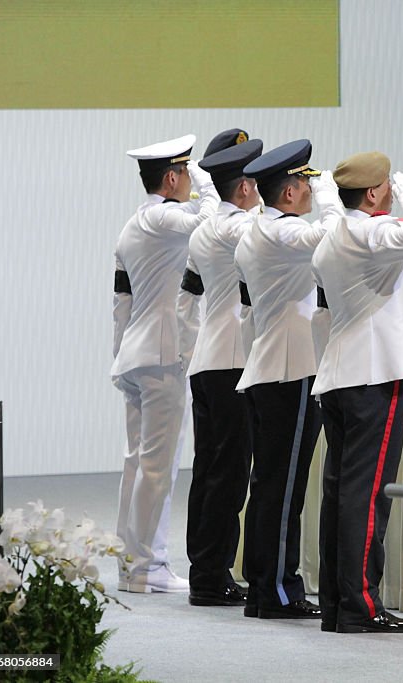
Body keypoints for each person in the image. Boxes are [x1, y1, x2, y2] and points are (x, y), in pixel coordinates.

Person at [312, 152, 403, 634]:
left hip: (341, 376)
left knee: (340, 495)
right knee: (365, 498)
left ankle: (336, 603)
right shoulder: (368, 234)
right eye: (383, 185)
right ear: (372, 193)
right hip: (373, 377)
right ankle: (361, 605)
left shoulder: (332, 237)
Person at [112, 134, 217, 592]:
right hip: (161, 356)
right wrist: (208, 182)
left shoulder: (133, 224)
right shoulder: (163, 218)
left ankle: (130, 561)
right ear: (173, 176)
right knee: (159, 465)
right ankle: (147, 568)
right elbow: (209, 220)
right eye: (185, 173)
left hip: (136, 354)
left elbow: (121, 300)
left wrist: (118, 354)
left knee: (138, 463)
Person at [234, 139, 328, 619]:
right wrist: (336, 192)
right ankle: (275, 589)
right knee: (283, 487)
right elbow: (332, 235)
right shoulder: (282, 233)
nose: (312, 191)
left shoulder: (257, 228)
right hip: (290, 369)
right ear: (289, 193)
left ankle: (266, 585)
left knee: (271, 483)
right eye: (306, 183)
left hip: (271, 365)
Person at [177, 133, 263, 607]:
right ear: (248, 188)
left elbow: (186, 297)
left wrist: (191, 349)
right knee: (229, 475)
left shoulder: (204, 230)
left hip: (208, 357)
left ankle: (203, 570)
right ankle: (212, 576)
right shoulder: (244, 229)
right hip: (235, 360)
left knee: (208, 470)